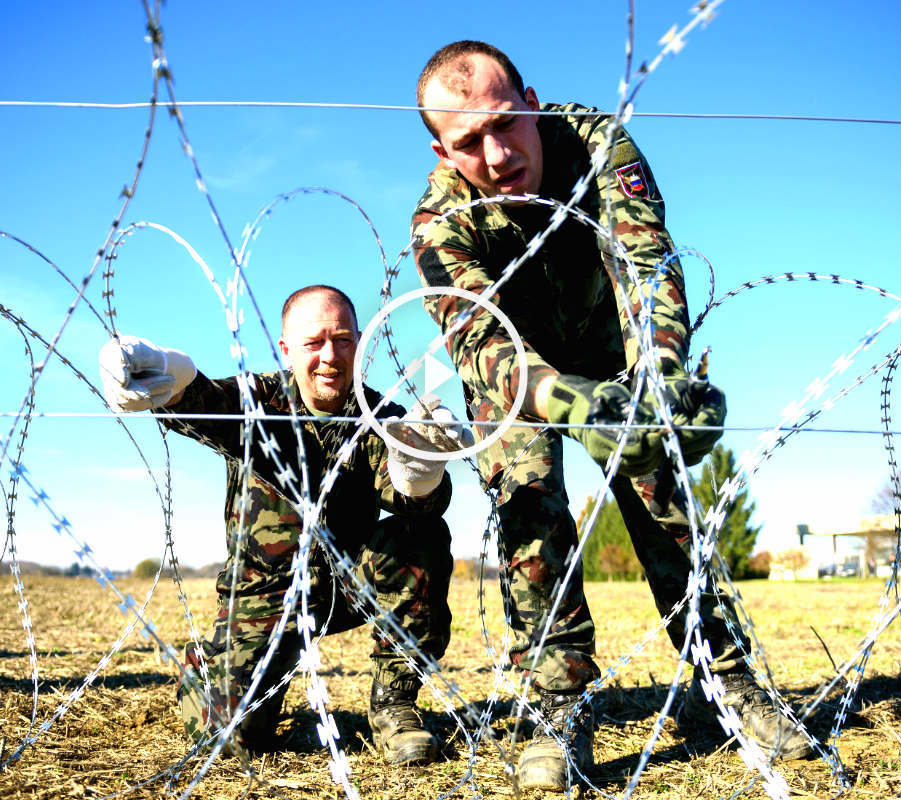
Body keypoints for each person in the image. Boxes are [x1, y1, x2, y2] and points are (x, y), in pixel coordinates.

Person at [410, 42, 811, 790]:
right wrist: (565, 400)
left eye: (506, 124)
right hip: (517, 377)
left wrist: (659, 383)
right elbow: (476, 337)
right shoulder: (439, 220)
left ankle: (731, 682)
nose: (497, 155)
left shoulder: (594, 141)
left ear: (530, 100)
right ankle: (556, 706)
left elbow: (646, 258)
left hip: (613, 347)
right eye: (469, 141)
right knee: (530, 514)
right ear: (442, 149)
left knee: (665, 506)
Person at [98, 285, 464, 766]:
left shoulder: (382, 417)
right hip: (264, 597)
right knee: (230, 740)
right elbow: (204, 405)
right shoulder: (259, 399)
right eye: (314, 343)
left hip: (345, 587)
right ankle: (222, 666)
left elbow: (415, 503)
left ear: (360, 342)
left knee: (421, 535)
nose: (330, 356)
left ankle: (394, 705)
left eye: (344, 340)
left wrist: (420, 470)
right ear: (287, 350)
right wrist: (166, 369)